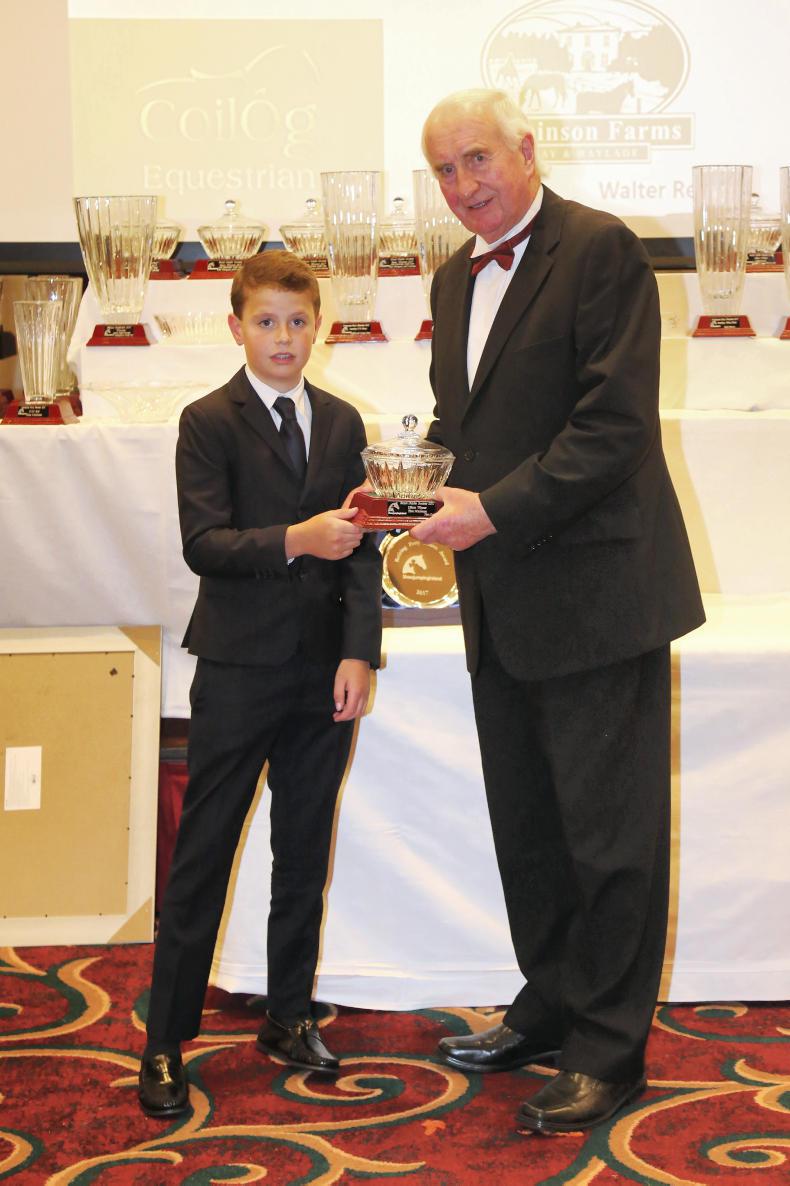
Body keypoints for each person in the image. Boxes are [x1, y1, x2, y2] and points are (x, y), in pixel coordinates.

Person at [411, 89, 705, 1133]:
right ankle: (549, 1004)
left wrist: (488, 510)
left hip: (597, 594)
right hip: (501, 597)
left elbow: (612, 426)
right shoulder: (452, 277)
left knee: (610, 836)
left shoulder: (601, 248)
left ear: (527, 150)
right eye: (444, 170)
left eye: (477, 159)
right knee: (530, 829)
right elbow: (464, 424)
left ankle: (610, 1048)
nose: (463, 185)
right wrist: (405, 489)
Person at [138, 250, 382, 1119]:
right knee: (204, 854)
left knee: (303, 852)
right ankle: (165, 1042)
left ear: (320, 326)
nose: (284, 337)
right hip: (240, 671)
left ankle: (287, 1015)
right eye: (267, 321)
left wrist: (359, 653)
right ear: (236, 327)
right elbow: (203, 544)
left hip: (322, 675)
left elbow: (365, 551)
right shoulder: (209, 420)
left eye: (298, 321)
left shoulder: (344, 422)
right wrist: (294, 539)